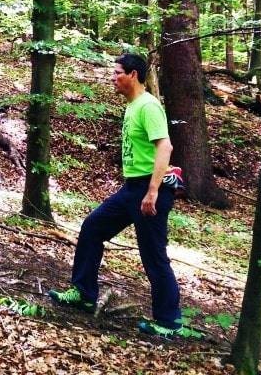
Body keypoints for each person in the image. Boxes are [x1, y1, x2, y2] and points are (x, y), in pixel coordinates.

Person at [48, 53, 185, 339]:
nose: (113, 78)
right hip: (132, 189)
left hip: (150, 190)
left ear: (133, 74)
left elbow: (165, 148)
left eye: (117, 72)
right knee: (93, 227)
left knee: (153, 255)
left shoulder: (148, 106)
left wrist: (153, 191)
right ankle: (84, 294)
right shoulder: (133, 105)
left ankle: (169, 322)